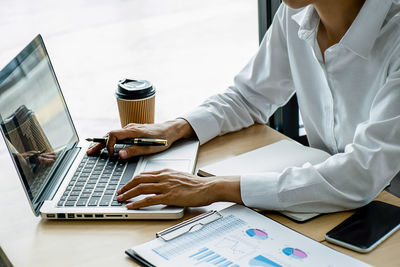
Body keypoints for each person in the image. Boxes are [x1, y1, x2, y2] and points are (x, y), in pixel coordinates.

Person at [88, 0, 400, 213]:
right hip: (329, 205)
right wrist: (175, 128)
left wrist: (213, 188)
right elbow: (249, 96)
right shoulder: (296, 14)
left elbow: (361, 173)